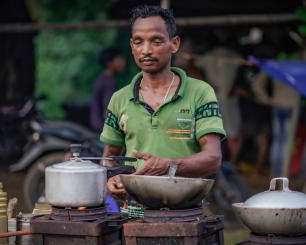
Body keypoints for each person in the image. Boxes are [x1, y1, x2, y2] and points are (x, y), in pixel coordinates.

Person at [99, 5, 226, 201]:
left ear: (174, 44)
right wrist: (111, 177)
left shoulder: (200, 92)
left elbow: (213, 158)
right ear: (132, 46)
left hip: (186, 208)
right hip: (134, 210)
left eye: (156, 41)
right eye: (139, 42)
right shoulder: (120, 98)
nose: (146, 50)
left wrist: (168, 165)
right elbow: (109, 157)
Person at [89, 47, 126, 133]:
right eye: (119, 59)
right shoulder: (109, 82)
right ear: (109, 63)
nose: (123, 62)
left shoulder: (101, 79)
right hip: (101, 128)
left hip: (95, 125)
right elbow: (108, 111)